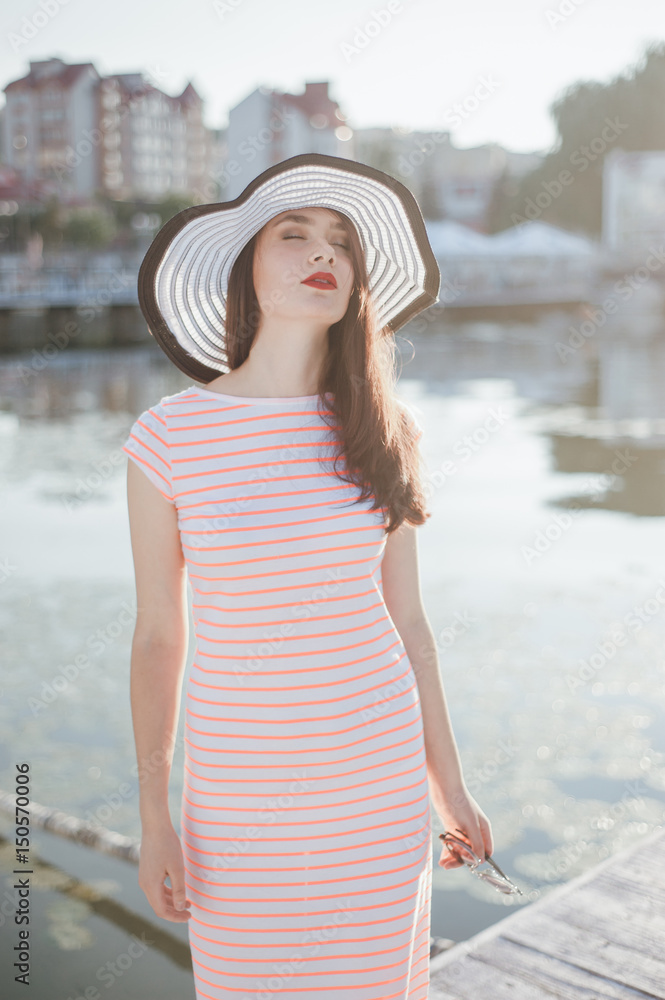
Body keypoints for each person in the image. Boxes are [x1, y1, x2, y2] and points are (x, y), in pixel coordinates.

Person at [121, 153, 493, 1000]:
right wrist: (154, 819)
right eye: (294, 235)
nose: (323, 252)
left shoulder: (383, 428)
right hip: (238, 791)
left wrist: (452, 787)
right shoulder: (168, 438)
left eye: (340, 242)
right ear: (246, 266)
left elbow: (410, 626)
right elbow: (157, 636)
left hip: (375, 779)